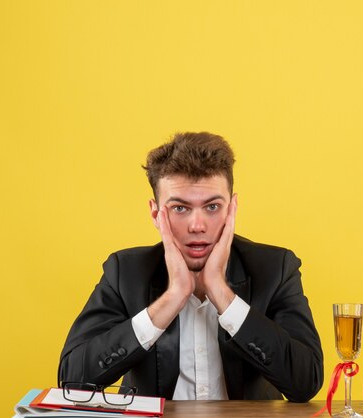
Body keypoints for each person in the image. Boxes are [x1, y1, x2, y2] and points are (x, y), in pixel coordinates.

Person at [58, 132, 324, 402]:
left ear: (232, 209)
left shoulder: (275, 268)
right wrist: (172, 298)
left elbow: (305, 383)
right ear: (155, 213)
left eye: (212, 206)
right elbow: (72, 378)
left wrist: (222, 294)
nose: (197, 226)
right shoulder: (125, 272)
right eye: (180, 209)